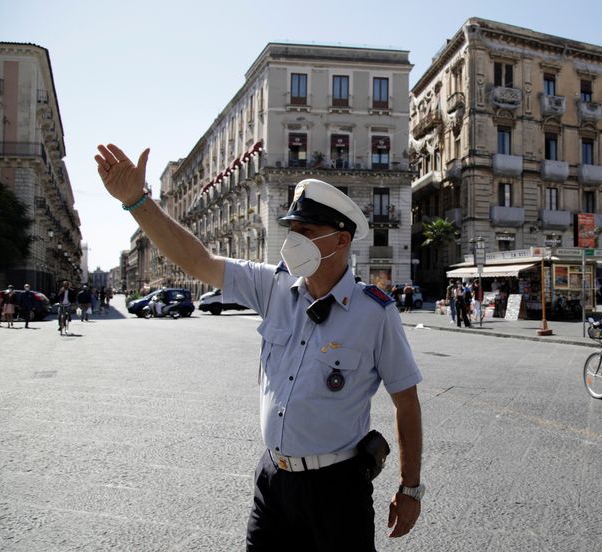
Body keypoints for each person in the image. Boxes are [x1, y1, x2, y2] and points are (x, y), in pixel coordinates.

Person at [95, 144, 423, 550]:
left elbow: (406, 401)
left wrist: (410, 489)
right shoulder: (272, 287)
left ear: (340, 241)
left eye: (305, 232)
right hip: (273, 481)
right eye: (292, 231)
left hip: (336, 489)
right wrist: (136, 201)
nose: (292, 242)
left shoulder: (375, 313)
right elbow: (197, 260)